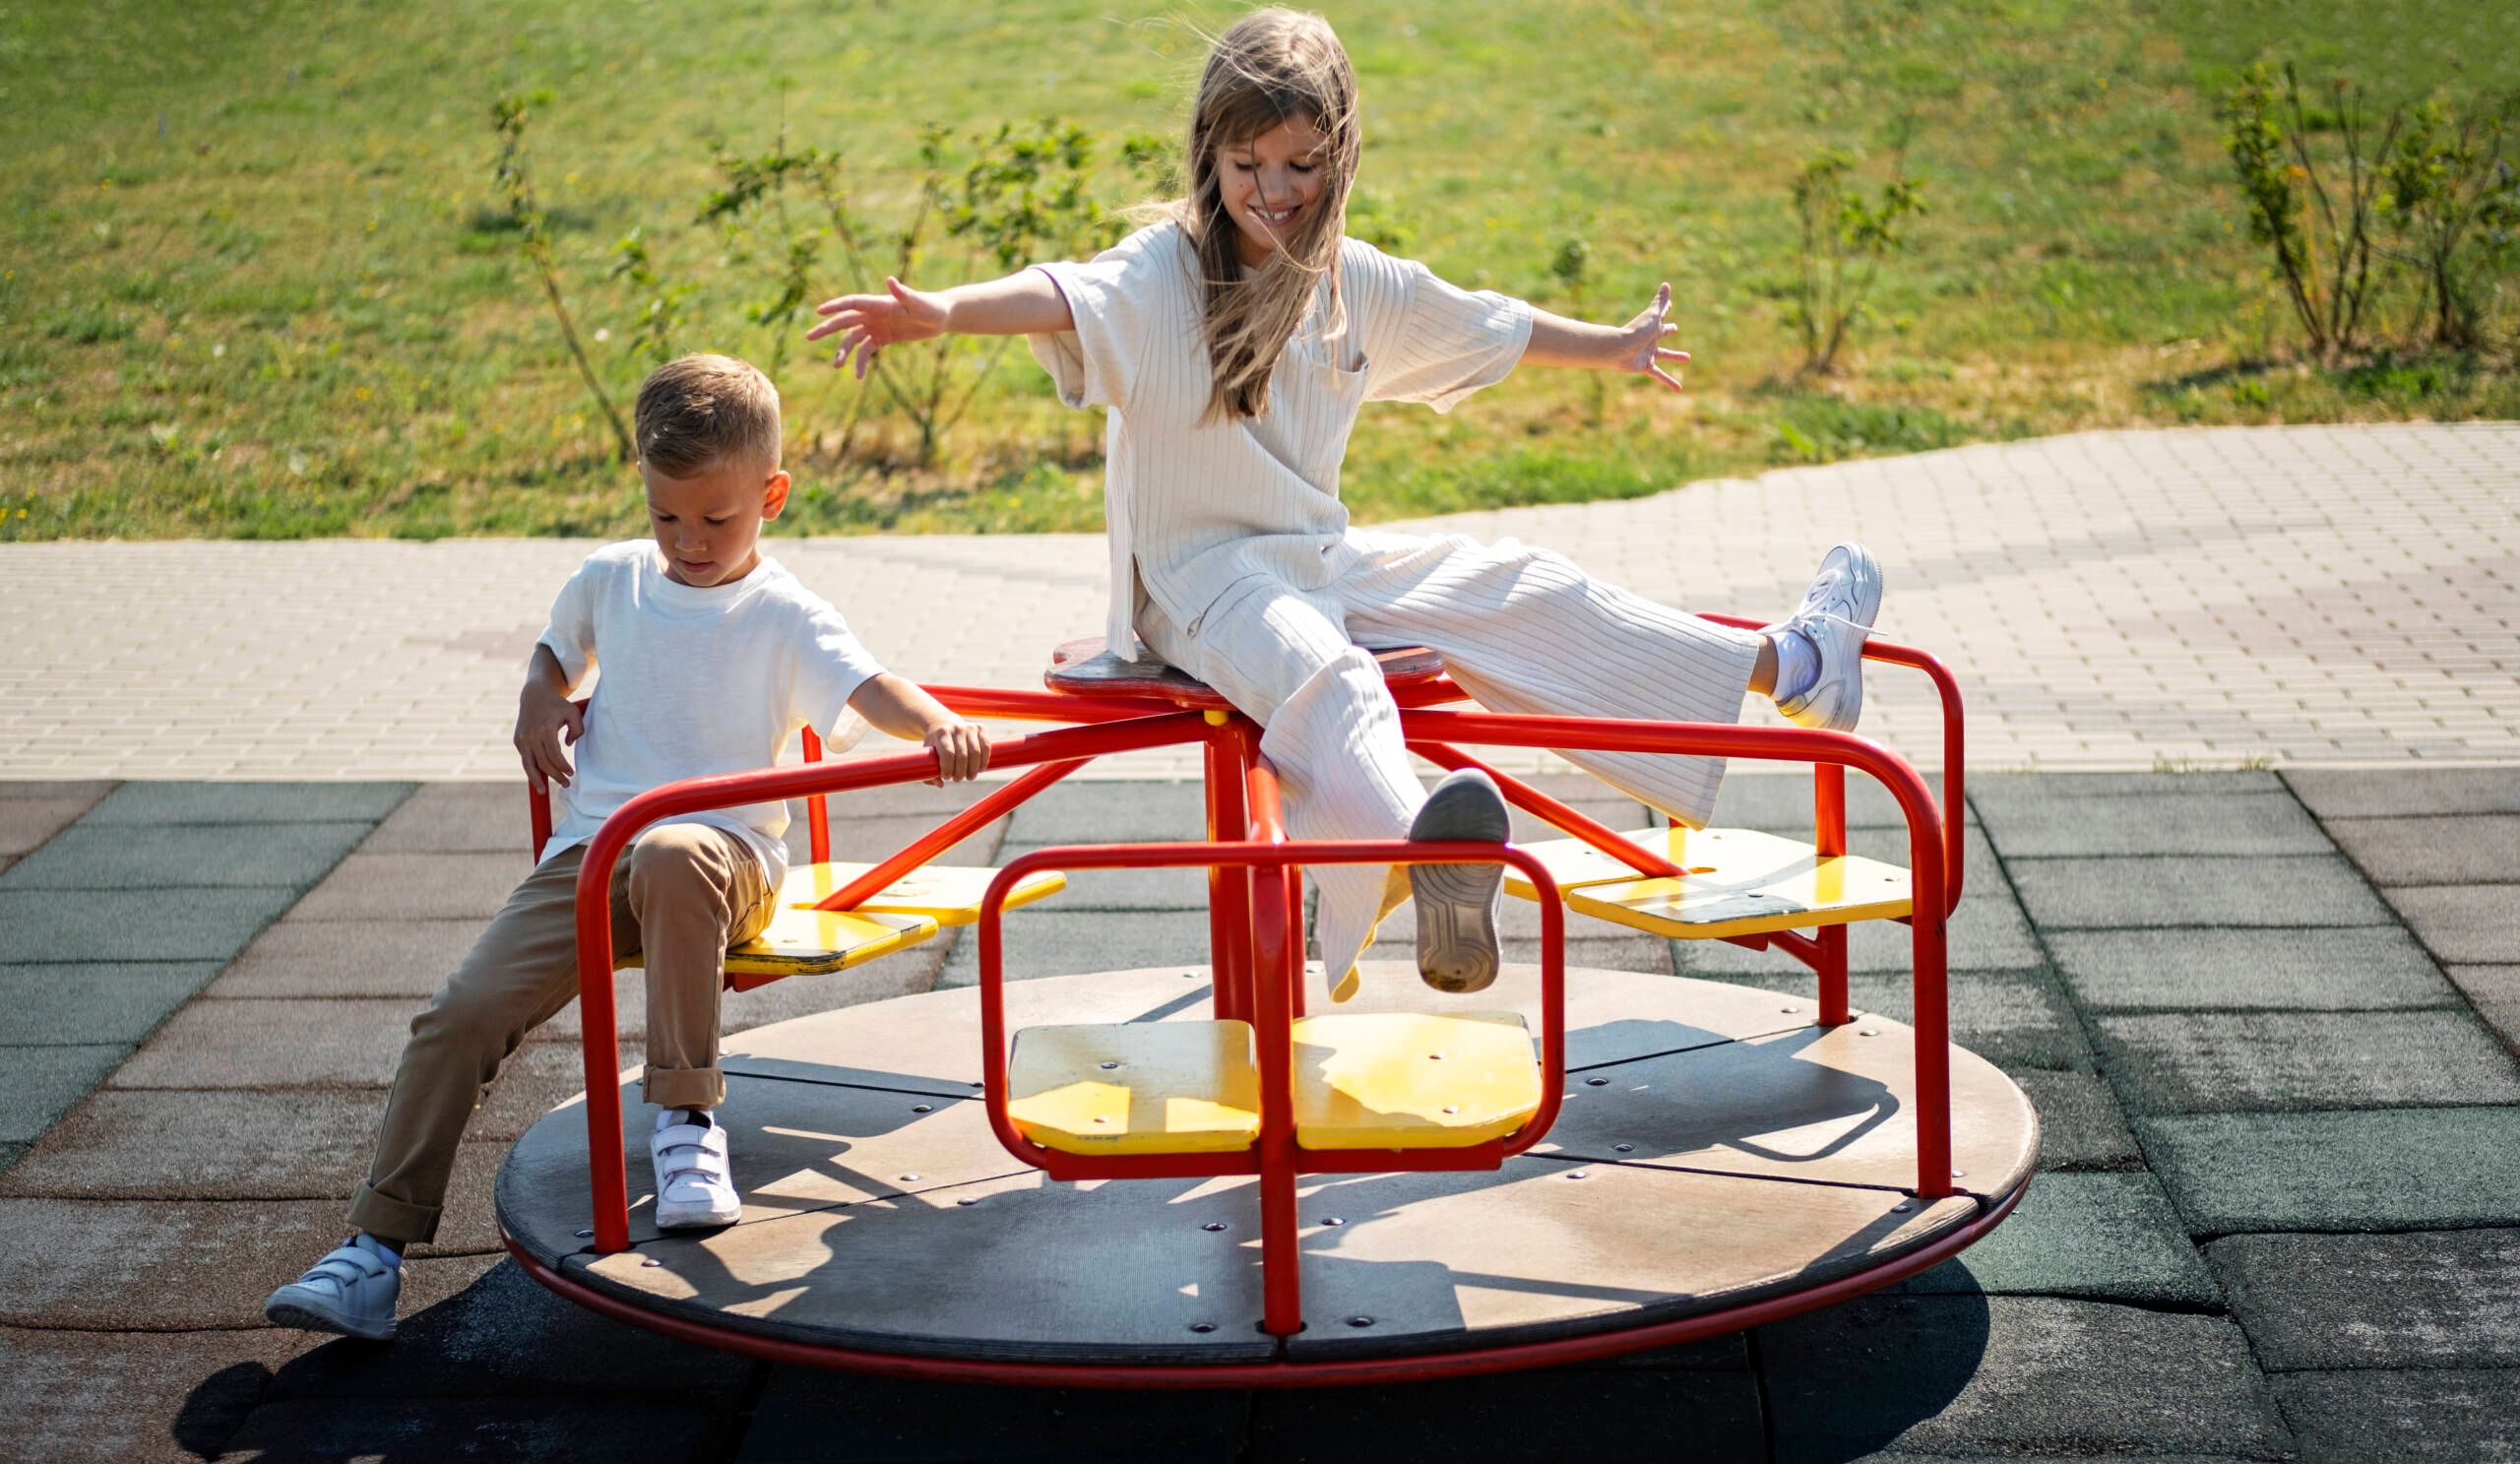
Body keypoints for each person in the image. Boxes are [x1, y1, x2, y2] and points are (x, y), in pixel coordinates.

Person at [807, 7, 1879, 1003]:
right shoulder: (1163, 272)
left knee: (1519, 584)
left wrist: (1613, 345)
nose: (1272, 190)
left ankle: (1797, 667)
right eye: (1246, 165)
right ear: (1208, 158)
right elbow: (1063, 293)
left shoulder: (1355, 284)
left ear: (1339, 159)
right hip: (1194, 587)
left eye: (1299, 166)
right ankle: (1422, 850)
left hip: (1315, 559)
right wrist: (942, 313)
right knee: (1329, 676)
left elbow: (1487, 323)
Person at [264, 353, 990, 1341]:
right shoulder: (611, 579)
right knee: (459, 1014)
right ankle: (372, 1251)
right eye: (666, 517)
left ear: (771, 493)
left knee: (672, 850)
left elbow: (869, 688)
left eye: (716, 519)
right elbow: (557, 651)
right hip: (593, 855)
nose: (689, 541)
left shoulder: (784, 612)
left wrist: (937, 724)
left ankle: (687, 1123)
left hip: (724, 858)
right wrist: (537, 695)